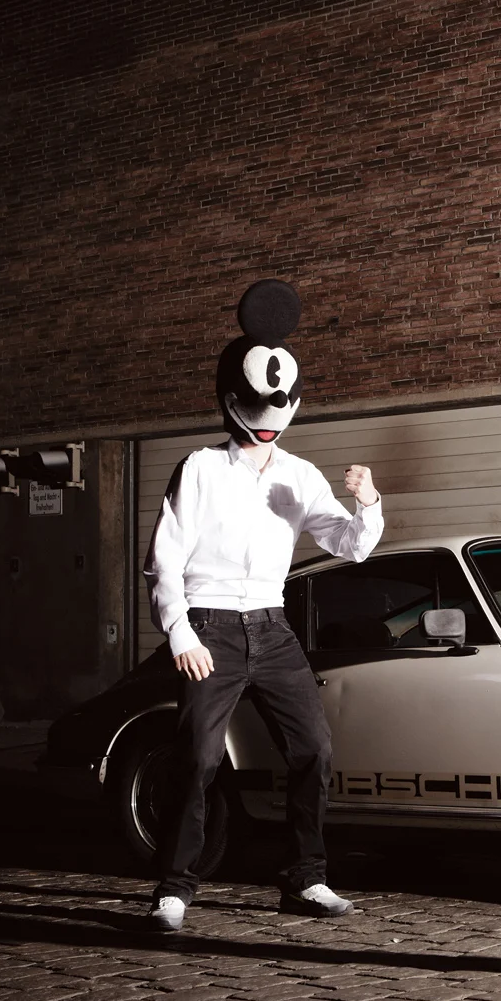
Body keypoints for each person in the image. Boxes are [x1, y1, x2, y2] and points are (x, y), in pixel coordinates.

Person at [144, 279, 383, 933]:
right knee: (198, 759)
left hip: (273, 631)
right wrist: (180, 633)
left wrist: (366, 503)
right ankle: (173, 889)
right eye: (255, 402)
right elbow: (163, 557)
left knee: (314, 750)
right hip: (210, 627)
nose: (269, 414)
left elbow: (349, 546)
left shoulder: (299, 476)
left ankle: (305, 879)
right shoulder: (199, 468)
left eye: (279, 402)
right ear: (231, 401)